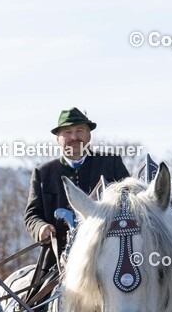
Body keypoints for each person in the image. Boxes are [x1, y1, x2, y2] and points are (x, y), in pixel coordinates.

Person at [24, 107, 130, 267]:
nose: (74, 137)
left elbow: (131, 205)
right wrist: (40, 228)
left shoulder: (111, 163)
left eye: (80, 130)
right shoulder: (43, 173)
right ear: (57, 138)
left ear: (89, 135)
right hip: (57, 260)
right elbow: (32, 215)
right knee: (37, 293)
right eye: (67, 132)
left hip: (109, 255)